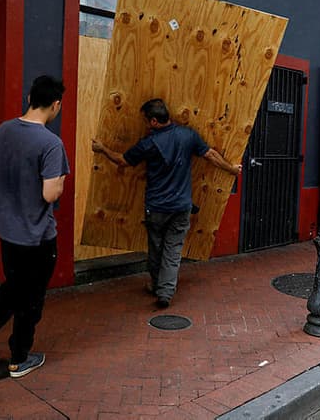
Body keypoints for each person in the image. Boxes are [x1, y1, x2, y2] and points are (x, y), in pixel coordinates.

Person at [0, 75, 69, 378]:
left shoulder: (4, 130)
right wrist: (58, 184)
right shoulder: (51, 143)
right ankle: (15, 355)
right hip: (37, 236)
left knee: (16, 288)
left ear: (29, 96)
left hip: (8, 230)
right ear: (56, 104)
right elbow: (49, 193)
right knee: (29, 297)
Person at [92, 98, 241, 308]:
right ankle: (166, 292)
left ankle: (156, 285)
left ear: (154, 121)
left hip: (157, 208)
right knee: (173, 251)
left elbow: (122, 160)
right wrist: (232, 169)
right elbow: (211, 155)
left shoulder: (148, 144)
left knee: (156, 249)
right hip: (181, 207)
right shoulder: (187, 135)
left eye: (145, 120)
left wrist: (102, 149)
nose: (144, 124)